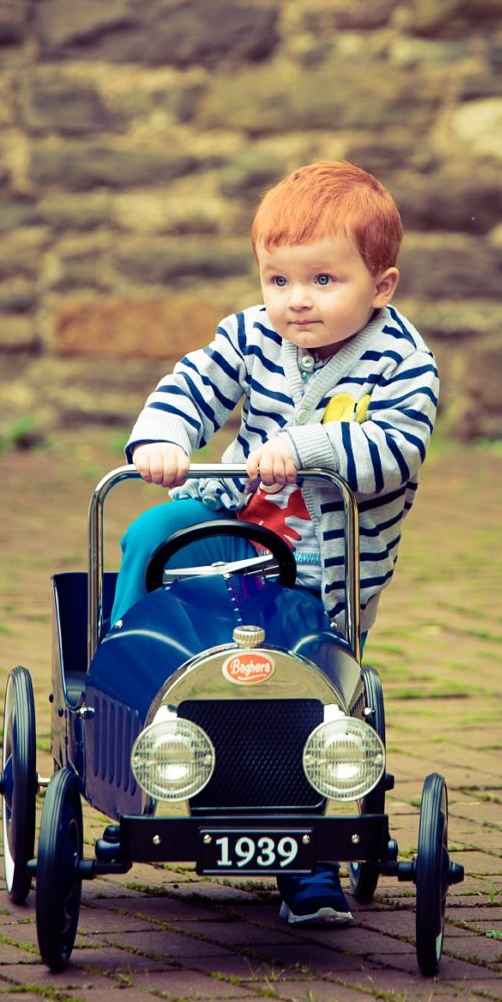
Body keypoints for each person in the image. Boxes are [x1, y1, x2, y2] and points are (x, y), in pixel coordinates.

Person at [111, 160, 439, 927]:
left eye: (324, 280)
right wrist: (162, 438)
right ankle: (125, 680)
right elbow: (197, 383)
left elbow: (397, 448)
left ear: (380, 286)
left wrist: (314, 447)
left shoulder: (403, 363)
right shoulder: (251, 334)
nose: (297, 300)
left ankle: (310, 866)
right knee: (152, 530)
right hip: (239, 525)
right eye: (278, 279)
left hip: (326, 568)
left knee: (305, 700)